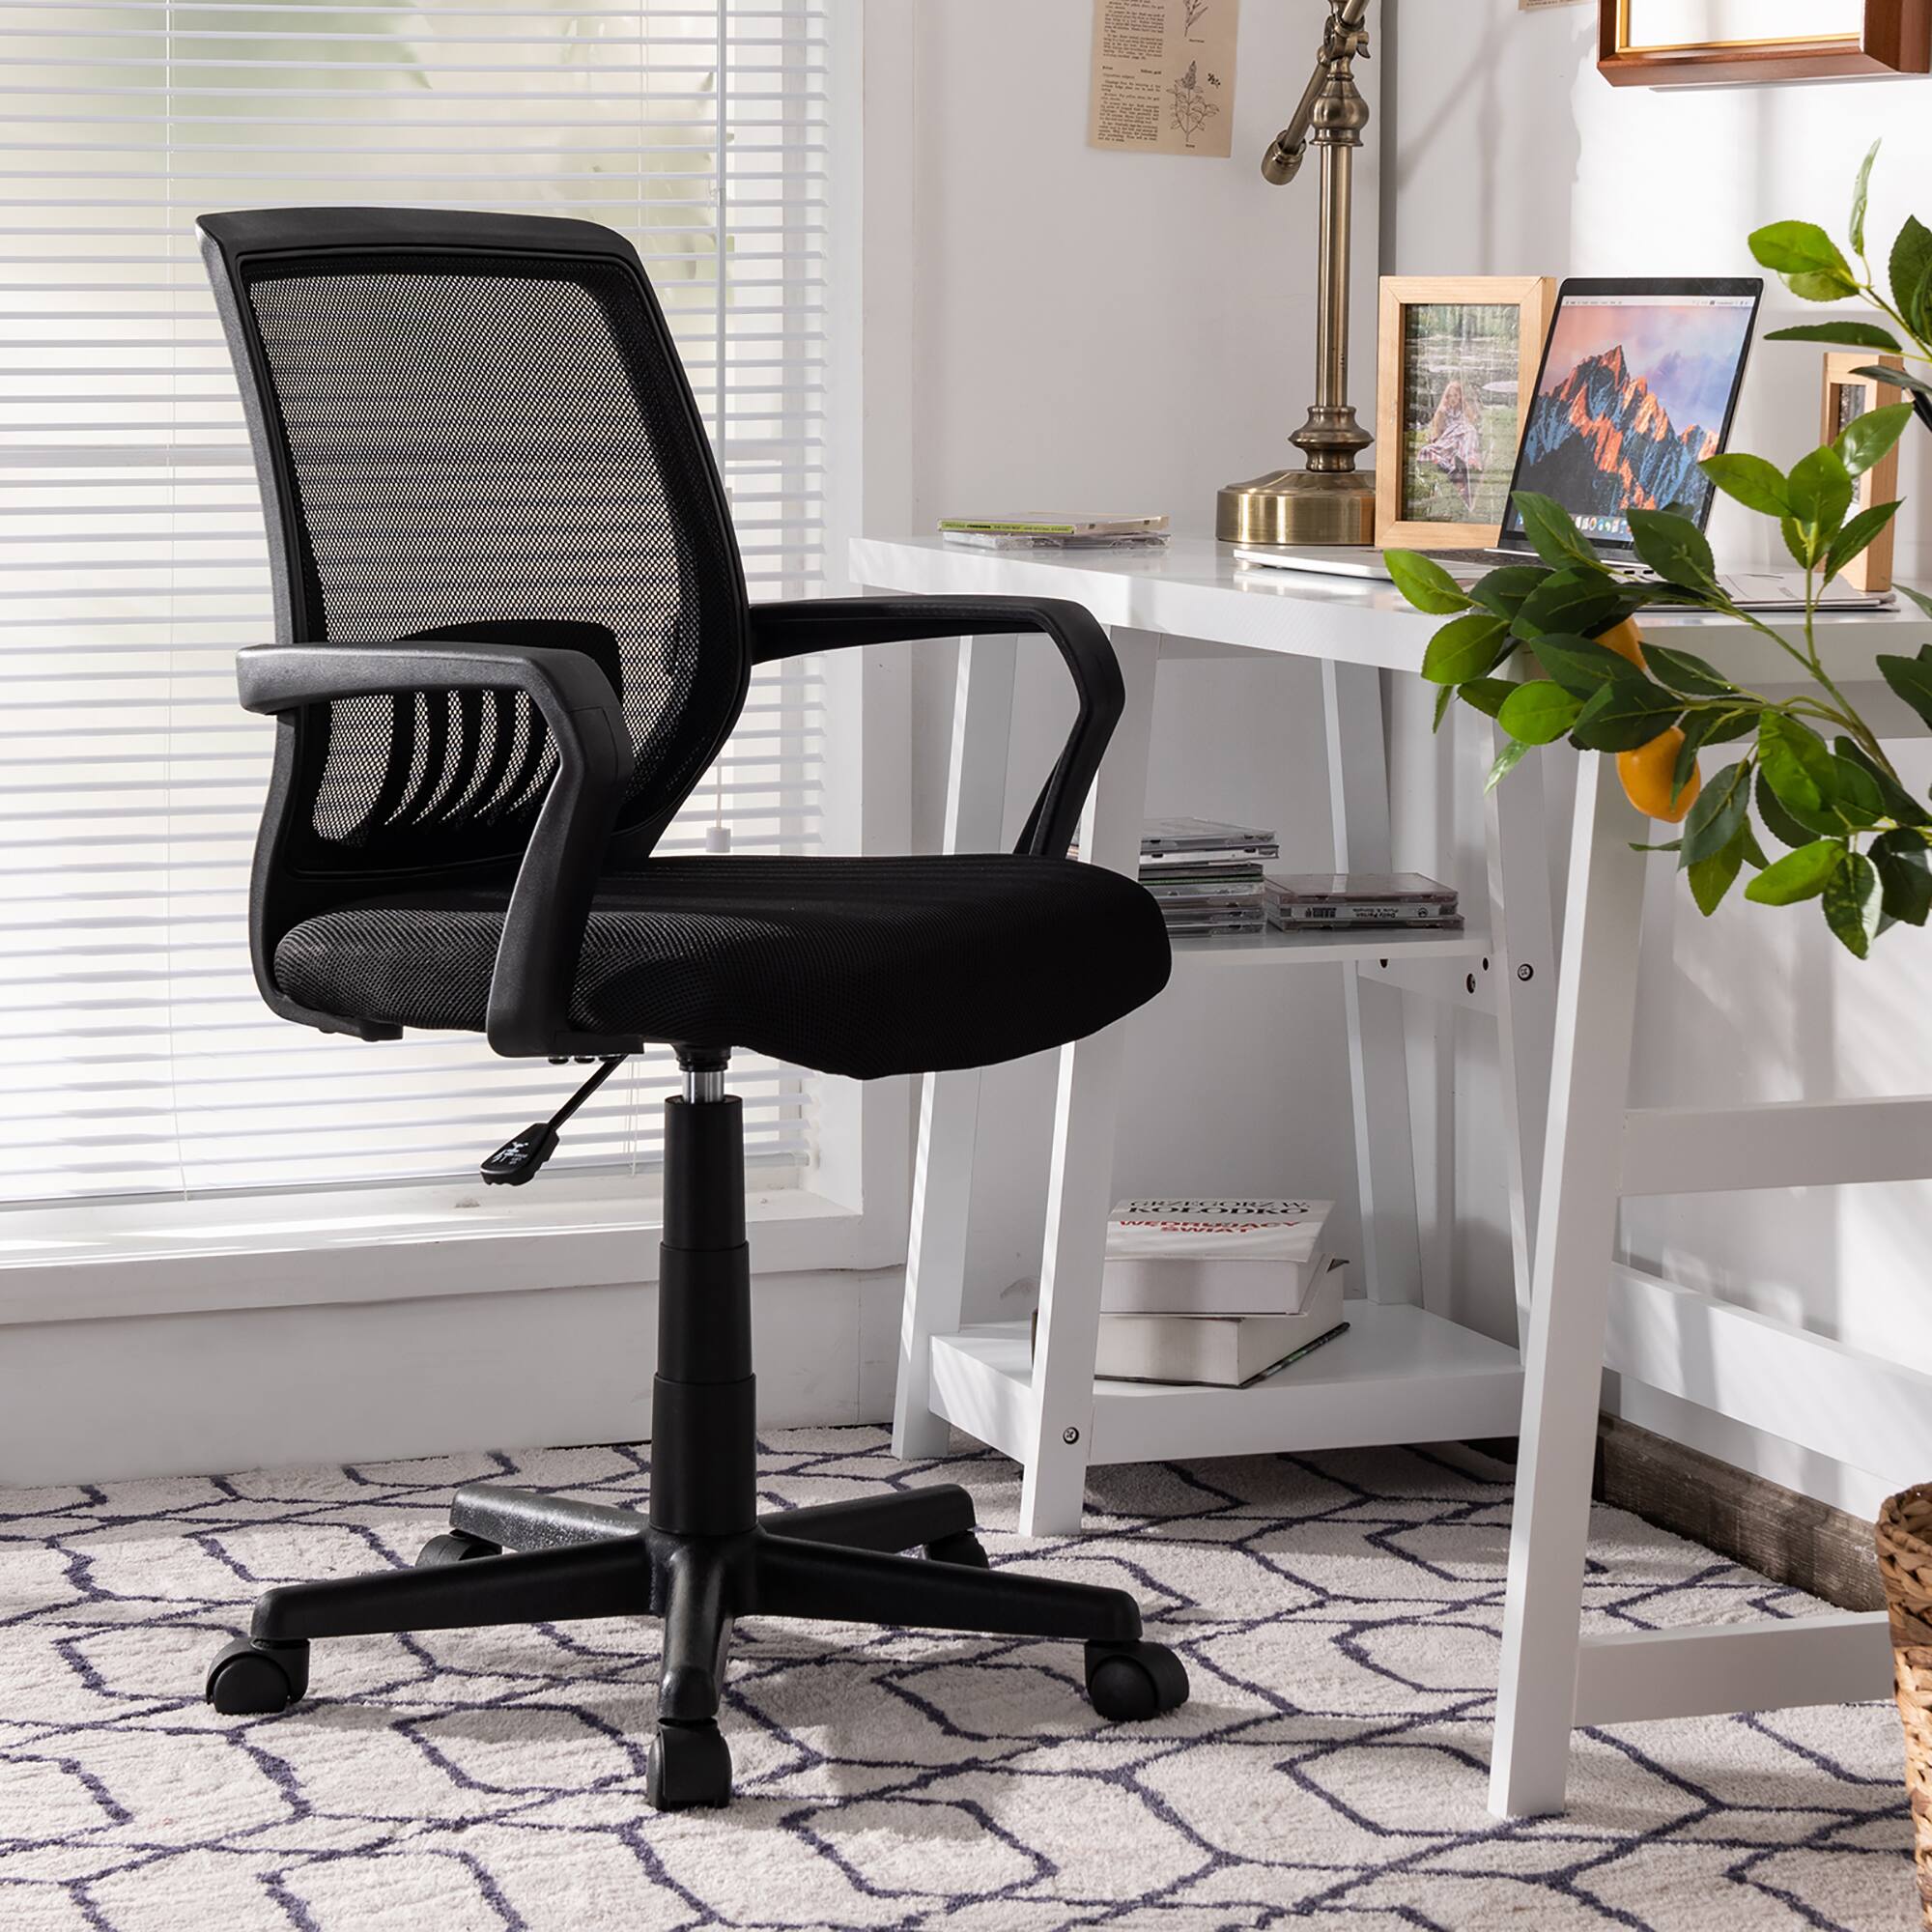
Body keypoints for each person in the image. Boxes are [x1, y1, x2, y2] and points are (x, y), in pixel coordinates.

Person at [1415, 378, 1484, 511]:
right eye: (1450, 396)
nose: (1453, 399)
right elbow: (1437, 434)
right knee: (1427, 451)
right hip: (1449, 440)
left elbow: (1473, 422)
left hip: (1463, 439)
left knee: (1469, 432)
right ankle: (1450, 468)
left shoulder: (1464, 410)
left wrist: (1469, 404)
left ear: (1460, 396)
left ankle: (1465, 464)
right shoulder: (1442, 411)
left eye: (1456, 395)